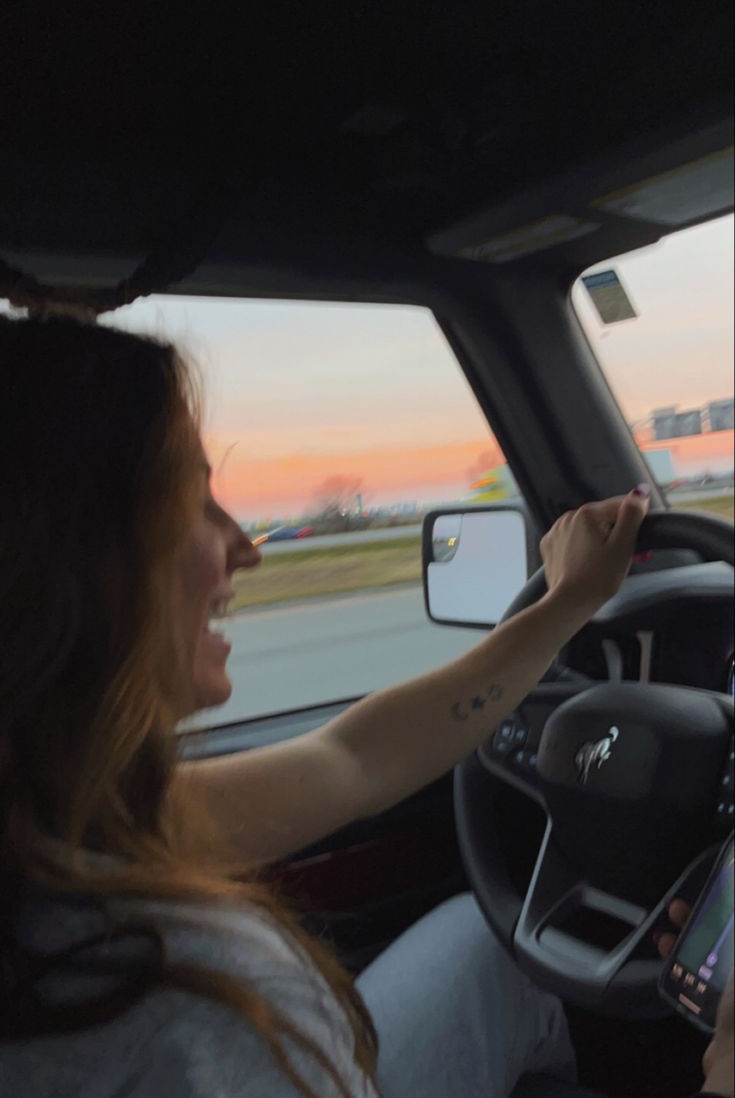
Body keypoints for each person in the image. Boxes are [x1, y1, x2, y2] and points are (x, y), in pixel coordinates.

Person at [0, 312, 729, 1098]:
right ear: (76, 564)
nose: (245, 546)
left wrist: (563, 605)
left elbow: (350, 758)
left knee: (482, 945)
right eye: (195, 501)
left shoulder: (59, 817)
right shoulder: (199, 1013)